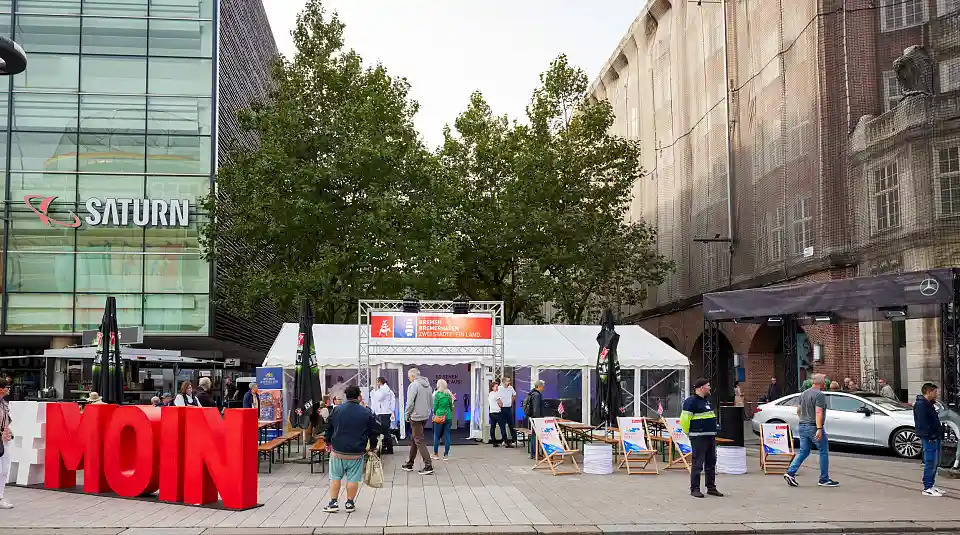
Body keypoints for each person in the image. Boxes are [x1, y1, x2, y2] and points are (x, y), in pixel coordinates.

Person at [322, 385, 382, 513]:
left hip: (338, 450)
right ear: (359, 396)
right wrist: (372, 446)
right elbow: (374, 431)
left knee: (335, 476)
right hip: (356, 452)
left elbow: (329, 428)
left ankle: (333, 503)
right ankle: (349, 503)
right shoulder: (366, 412)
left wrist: (327, 441)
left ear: (346, 396)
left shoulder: (337, 410)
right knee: (353, 478)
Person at [783, 373, 838, 488]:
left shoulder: (804, 393)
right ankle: (824, 479)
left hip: (802, 425)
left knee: (804, 451)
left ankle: (790, 472)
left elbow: (798, 410)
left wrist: (803, 420)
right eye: (824, 380)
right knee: (823, 451)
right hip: (813, 426)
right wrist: (818, 428)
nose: (825, 383)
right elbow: (818, 412)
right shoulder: (819, 395)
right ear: (821, 382)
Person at [681, 378, 723, 498]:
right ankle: (694, 489)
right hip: (698, 437)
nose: (710, 388)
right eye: (708, 386)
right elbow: (684, 420)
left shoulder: (707, 401)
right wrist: (689, 433)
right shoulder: (690, 402)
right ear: (701, 388)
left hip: (710, 436)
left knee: (711, 462)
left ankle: (711, 487)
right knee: (697, 463)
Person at [401, 368, 434, 475]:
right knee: (415, 439)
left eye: (409, 377)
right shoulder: (428, 386)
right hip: (425, 415)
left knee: (418, 440)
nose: (409, 379)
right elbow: (431, 402)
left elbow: (410, 402)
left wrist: (407, 413)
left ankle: (428, 465)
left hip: (416, 416)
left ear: (413, 376)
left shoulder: (414, 385)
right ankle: (409, 463)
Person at [914, 382, 944, 497]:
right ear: (929, 392)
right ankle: (927, 487)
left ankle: (931, 485)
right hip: (929, 437)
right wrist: (930, 436)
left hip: (934, 436)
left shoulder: (928, 404)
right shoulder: (921, 405)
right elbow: (923, 423)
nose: (937, 394)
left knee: (935, 462)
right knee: (930, 462)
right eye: (935, 392)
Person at [371, 377, 396, 454]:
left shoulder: (384, 390)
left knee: (385, 430)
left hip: (383, 412)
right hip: (383, 412)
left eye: (377, 382)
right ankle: (386, 447)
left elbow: (379, 398)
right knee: (384, 430)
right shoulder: (387, 390)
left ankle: (389, 449)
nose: (376, 384)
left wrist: (374, 391)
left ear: (379, 382)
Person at [433, 379, 454, 460]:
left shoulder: (437, 394)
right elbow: (450, 406)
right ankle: (446, 455)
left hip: (439, 416)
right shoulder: (448, 394)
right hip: (448, 416)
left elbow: (435, 407)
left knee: (436, 435)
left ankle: (436, 454)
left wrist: (435, 413)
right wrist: (449, 413)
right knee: (447, 435)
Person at [524, 380, 546, 459]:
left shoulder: (532, 394)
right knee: (535, 436)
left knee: (534, 435)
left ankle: (534, 453)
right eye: (543, 386)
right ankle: (535, 453)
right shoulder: (536, 395)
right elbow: (536, 408)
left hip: (534, 418)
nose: (544, 388)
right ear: (539, 386)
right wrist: (538, 419)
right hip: (536, 418)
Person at [0, 380, 13, 508]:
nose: (9, 389)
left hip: (5, 439)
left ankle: (0, 496)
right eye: (7, 387)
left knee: (4, 470)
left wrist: (9, 431)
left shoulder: (4, 404)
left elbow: (6, 421)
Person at [488, 381, 510, 447]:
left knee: (492, 427)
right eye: (496, 387)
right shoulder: (496, 395)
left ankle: (494, 442)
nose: (497, 388)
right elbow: (500, 404)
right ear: (492, 388)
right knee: (502, 427)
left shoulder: (490, 394)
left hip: (491, 412)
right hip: (497, 413)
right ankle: (505, 442)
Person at [500, 377, 518, 446]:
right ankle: (504, 440)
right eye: (508, 381)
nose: (509, 382)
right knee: (502, 425)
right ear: (504, 382)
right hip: (502, 408)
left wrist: (511, 401)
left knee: (511, 424)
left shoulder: (510, 388)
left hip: (508, 408)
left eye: (509, 381)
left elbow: (514, 395)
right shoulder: (499, 388)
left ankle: (514, 440)